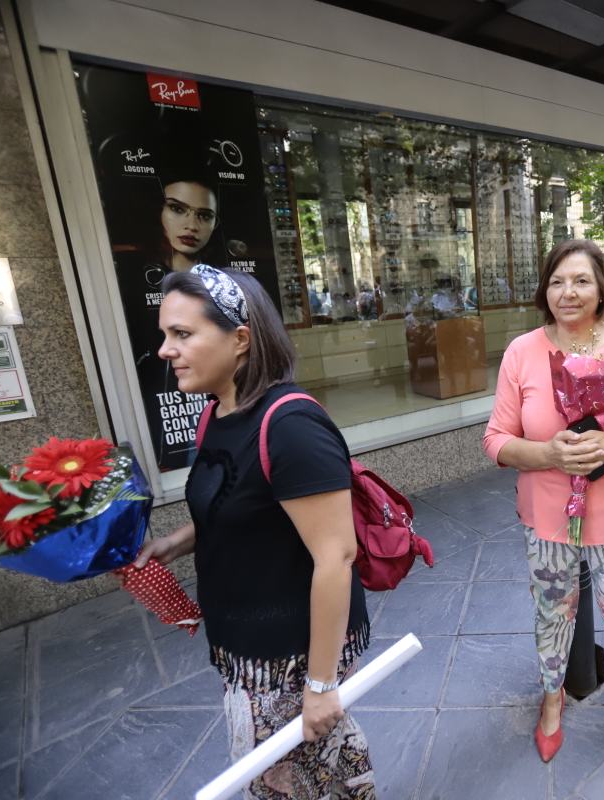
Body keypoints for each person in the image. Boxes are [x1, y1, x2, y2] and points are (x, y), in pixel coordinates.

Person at [135, 265, 375, 798]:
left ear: (240, 339)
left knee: (293, 777)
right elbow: (236, 501)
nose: (166, 350)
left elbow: (335, 557)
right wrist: (175, 543)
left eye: (182, 334)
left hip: (290, 651)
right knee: (305, 772)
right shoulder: (216, 413)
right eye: (164, 335)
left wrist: (319, 685)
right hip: (243, 642)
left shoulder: (290, 427)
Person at [482, 239, 604, 785]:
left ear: (601, 289)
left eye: (581, 281)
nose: (568, 292)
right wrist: (547, 454)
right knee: (551, 612)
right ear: (545, 290)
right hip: (548, 515)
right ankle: (552, 701)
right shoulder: (522, 352)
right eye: (557, 282)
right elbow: (496, 439)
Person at [151, 176, 221, 273]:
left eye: (204, 215)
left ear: (215, 224)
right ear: (159, 211)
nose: (192, 226)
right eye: (177, 209)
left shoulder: (226, 278)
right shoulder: (130, 266)